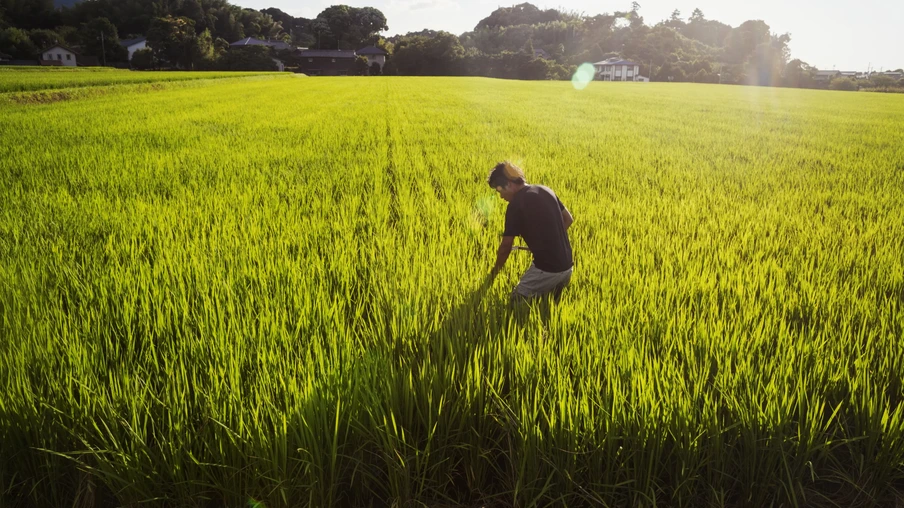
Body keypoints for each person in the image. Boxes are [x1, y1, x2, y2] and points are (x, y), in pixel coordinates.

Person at [487, 161, 574, 301]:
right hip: (567, 267)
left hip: (547, 270)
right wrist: (548, 243)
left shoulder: (516, 205)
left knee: (515, 303)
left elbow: (505, 247)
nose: (501, 197)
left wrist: (492, 274)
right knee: (549, 302)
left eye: (500, 191)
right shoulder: (546, 190)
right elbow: (568, 219)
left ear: (509, 184)